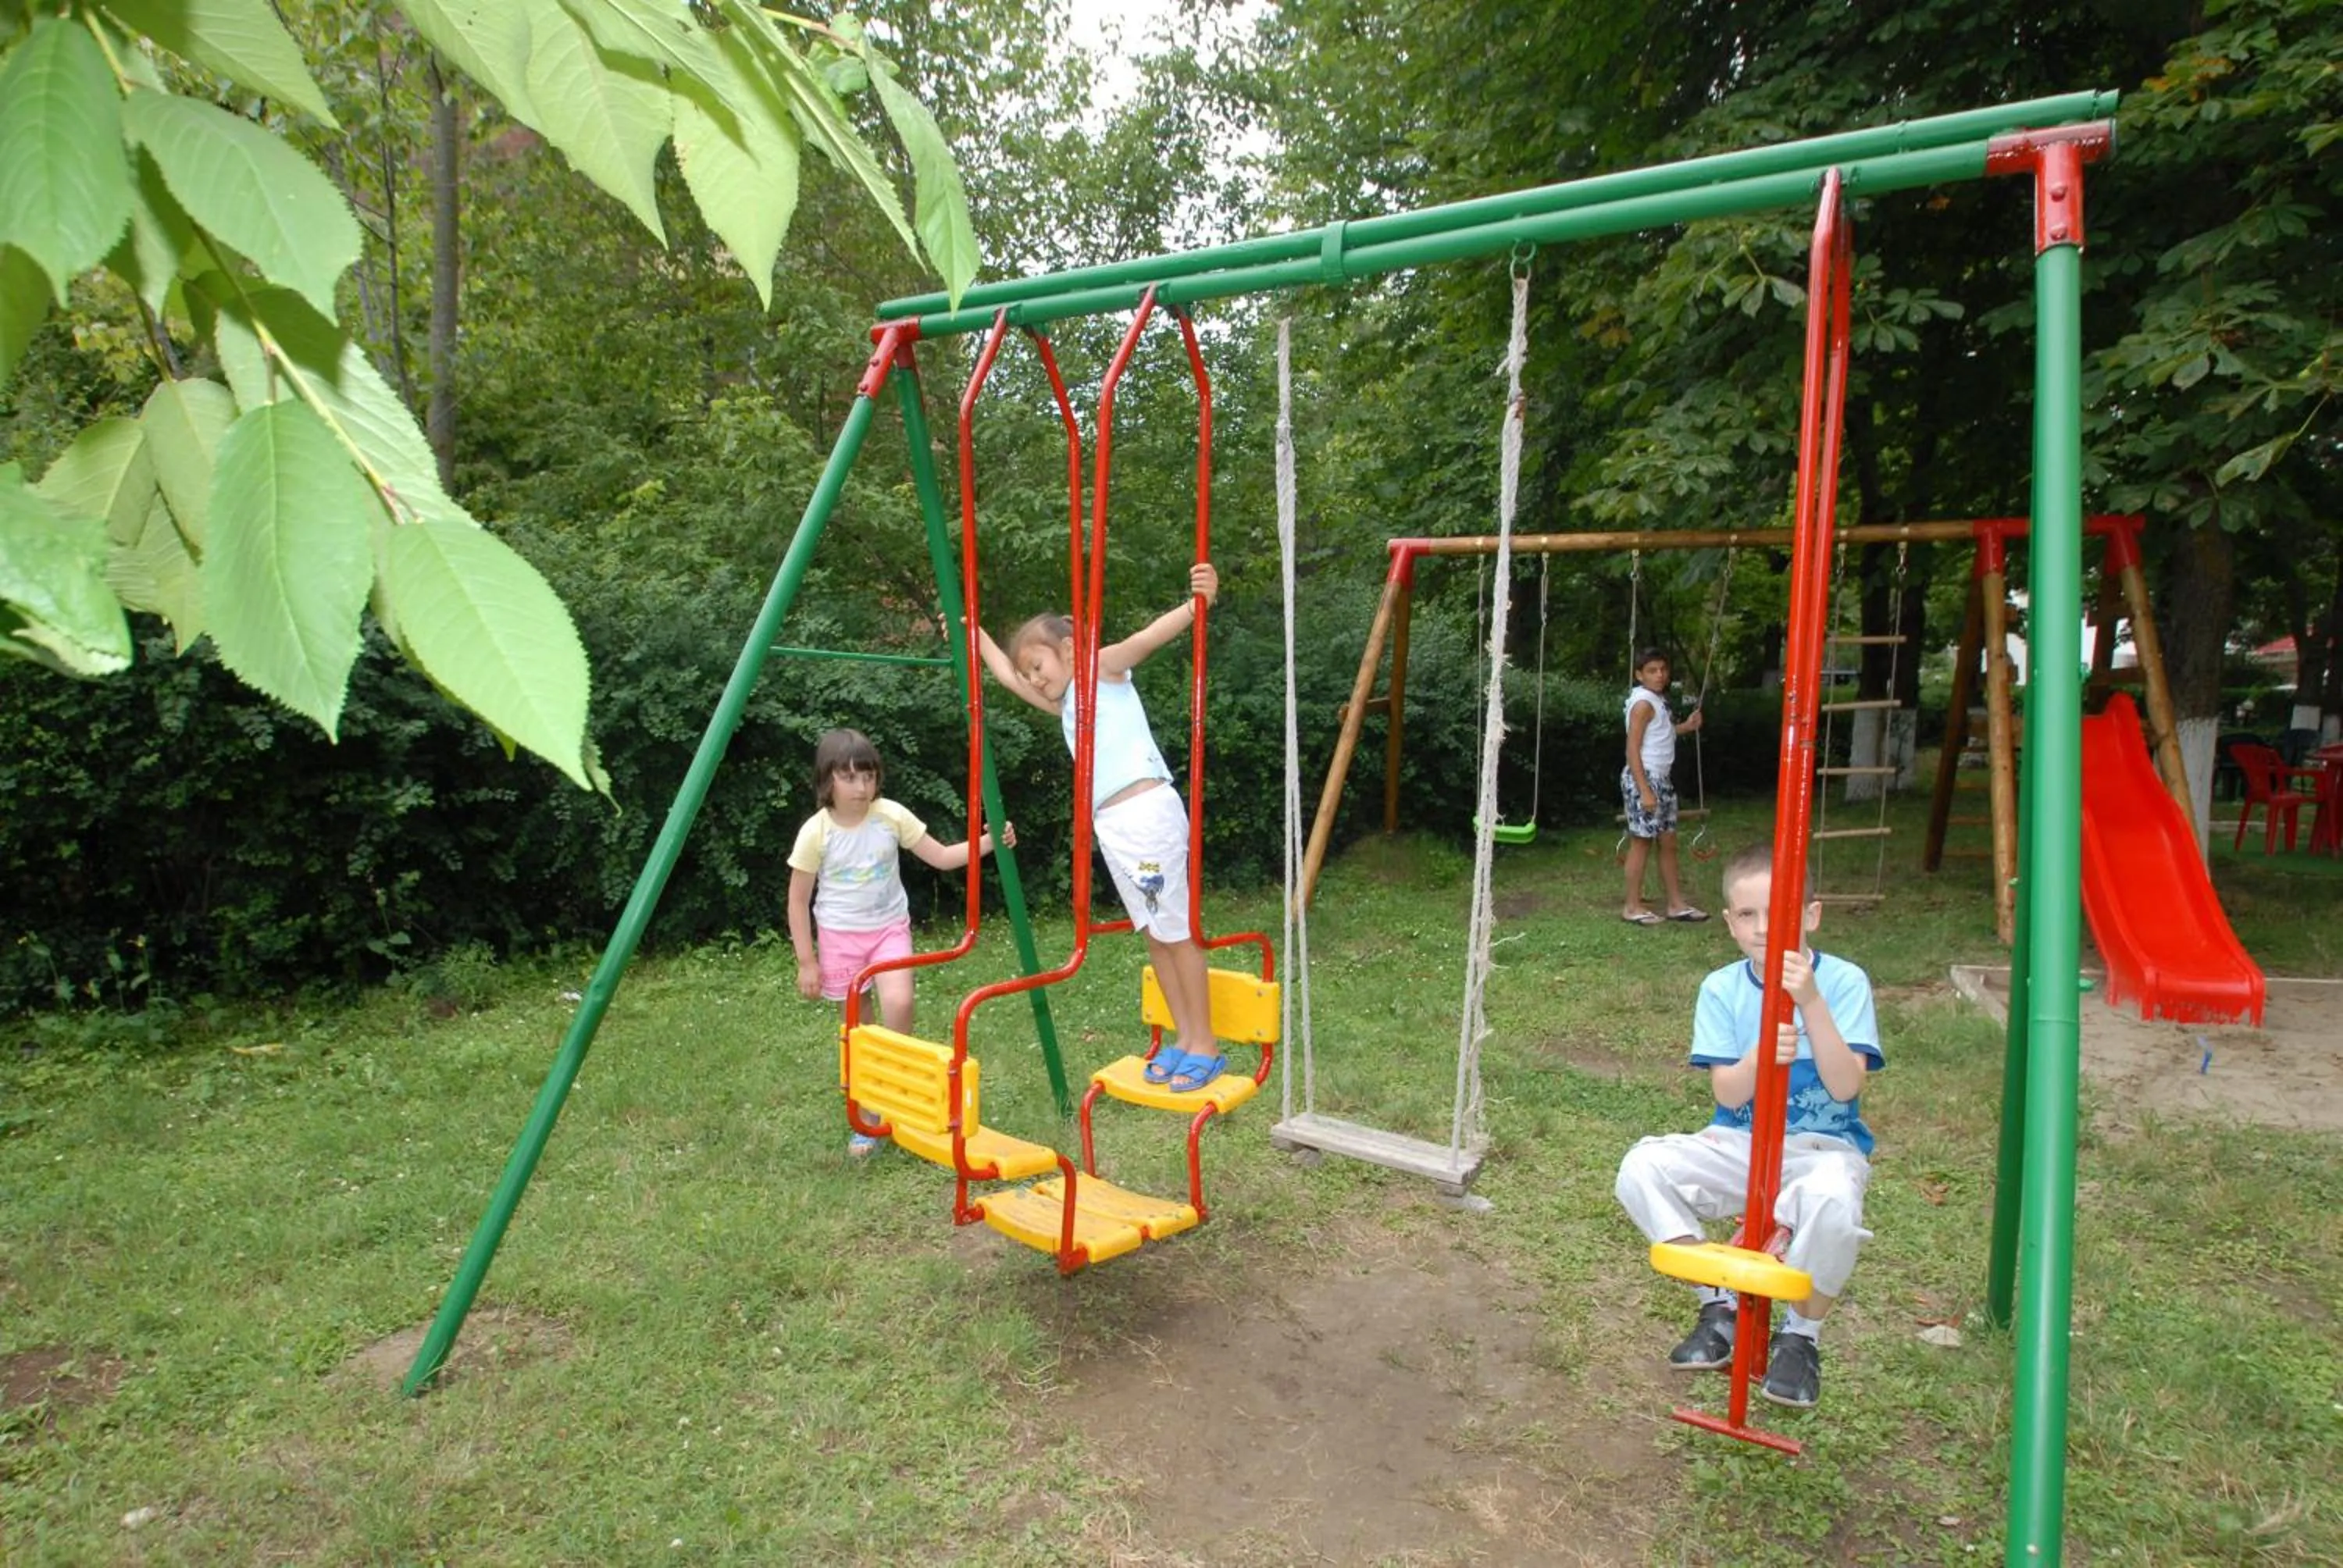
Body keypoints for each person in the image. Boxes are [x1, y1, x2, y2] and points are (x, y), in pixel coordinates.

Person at [1613, 841, 1883, 1409]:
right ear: (1731, 923)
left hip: (1821, 1148)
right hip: (1738, 1141)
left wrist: (1809, 1004)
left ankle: (1800, 1338)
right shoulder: (1721, 988)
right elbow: (1727, 1092)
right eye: (1748, 915)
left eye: (1778, 912)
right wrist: (1763, 1053)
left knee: (1834, 1205)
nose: (1764, 928)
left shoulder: (1845, 982)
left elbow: (1845, 1087)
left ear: (1811, 914)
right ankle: (1722, 1305)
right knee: (1641, 1168)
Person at [976, 562, 1225, 1092]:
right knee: (1154, 934)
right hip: (1114, 827)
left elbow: (1145, 639)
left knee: (1175, 931)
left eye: (1037, 664)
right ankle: (1183, 1038)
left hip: (1146, 816)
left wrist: (1196, 603)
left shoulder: (1099, 669)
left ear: (1067, 646)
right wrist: (972, 630)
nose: (1034, 677)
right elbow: (1003, 676)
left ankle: (1205, 1042)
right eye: (1030, 673)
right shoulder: (1064, 702)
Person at [786, 728, 1008, 1156]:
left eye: (868, 777)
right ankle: (868, 1113)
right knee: (860, 1027)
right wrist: (806, 961)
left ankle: (897, 1089)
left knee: (901, 1004)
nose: (861, 787)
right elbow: (798, 901)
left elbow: (941, 857)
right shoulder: (817, 832)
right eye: (849, 778)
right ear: (826, 780)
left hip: (888, 929)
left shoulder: (889, 816)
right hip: (839, 936)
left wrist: (989, 841)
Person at [1621, 647, 1707, 925]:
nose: (1660, 675)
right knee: (1642, 841)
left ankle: (1675, 904)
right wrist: (1644, 789)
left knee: (1668, 841)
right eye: (1652, 671)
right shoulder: (1643, 703)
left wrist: (1686, 726)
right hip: (1644, 778)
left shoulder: (1657, 701)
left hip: (1662, 779)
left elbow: (1663, 734)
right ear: (1639, 675)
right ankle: (1632, 906)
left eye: (1663, 670)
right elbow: (1632, 749)